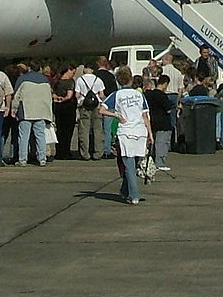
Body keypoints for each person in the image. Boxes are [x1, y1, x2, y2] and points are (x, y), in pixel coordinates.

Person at [103, 68, 153, 204]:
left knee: (128, 164)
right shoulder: (139, 95)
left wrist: (116, 115)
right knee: (133, 163)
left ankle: (134, 195)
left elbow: (101, 109)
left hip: (126, 132)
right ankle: (125, 191)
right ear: (131, 79)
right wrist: (150, 133)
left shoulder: (116, 94)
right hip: (140, 131)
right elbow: (145, 115)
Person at [12, 63, 54, 166]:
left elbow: (17, 96)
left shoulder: (22, 79)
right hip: (41, 112)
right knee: (40, 135)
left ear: (29, 68)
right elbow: (49, 97)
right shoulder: (45, 80)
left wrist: (14, 109)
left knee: (23, 136)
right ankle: (42, 158)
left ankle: (22, 159)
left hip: (26, 111)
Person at [75, 65, 106, 160]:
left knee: (84, 130)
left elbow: (77, 94)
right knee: (98, 130)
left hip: (84, 106)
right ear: (92, 70)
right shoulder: (98, 80)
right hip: (96, 106)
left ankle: (85, 154)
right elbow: (101, 95)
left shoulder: (80, 80)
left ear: (85, 69)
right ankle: (98, 153)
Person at [145, 75, 174, 170]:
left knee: (153, 144)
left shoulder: (149, 95)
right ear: (165, 84)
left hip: (152, 121)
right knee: (162, 143)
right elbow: (168, 109)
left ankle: (152, 162)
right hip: (163, 122)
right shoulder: (162, 95)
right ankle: (160, 163)